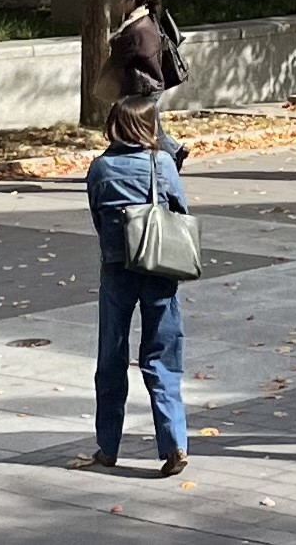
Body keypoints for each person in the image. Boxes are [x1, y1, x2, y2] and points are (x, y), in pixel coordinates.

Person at [72, 99, 191, 475]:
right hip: (159, 265)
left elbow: (97, 214)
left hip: (116, 267)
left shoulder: (100, 167)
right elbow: (180, 212)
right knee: (162, 357)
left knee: (111, 357)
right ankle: (173, 444)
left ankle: (107, 447)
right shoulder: (163, 164)